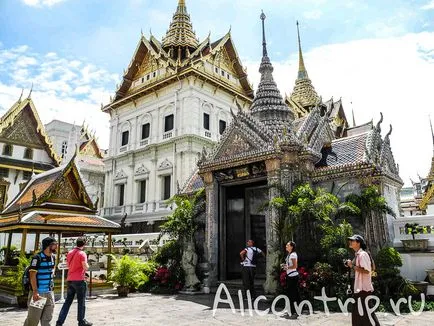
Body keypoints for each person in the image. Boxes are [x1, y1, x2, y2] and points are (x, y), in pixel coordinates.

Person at [56, 237, 92, 326]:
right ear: (84, 244)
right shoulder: (82, 253)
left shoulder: (70, 252)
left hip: (70, 279)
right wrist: (88, 265)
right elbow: (85, 267)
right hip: (79, 280)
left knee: (67, 302)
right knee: (81, 301)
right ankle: (81, 321)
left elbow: (68, 265)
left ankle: (59, 322)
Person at [345, 235, 380, 326]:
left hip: (363, 289)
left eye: (353, 241)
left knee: (365, 313)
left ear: (358, 243)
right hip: (359, 288)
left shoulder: (362, 254)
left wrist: (351, 266)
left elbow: (366, 270)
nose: (350, 242)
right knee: (360, 313)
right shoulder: (358, 254)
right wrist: (350, 264)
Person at [24, 236, 58, 326]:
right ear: (48, 246)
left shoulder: (53, 257)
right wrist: (35, 292)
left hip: (49, 293)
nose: (56, 247)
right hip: (38, 294)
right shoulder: (37, 258)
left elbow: (52, 269)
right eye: (54, 245)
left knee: (47, 321)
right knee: (32, 321)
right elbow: (32, 275)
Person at [282, 241, 300, 319]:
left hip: (293, 276)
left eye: (288, 245)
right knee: (291, 294)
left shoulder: (293, 254)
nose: (286, 246)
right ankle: (292, 311)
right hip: (290, 276)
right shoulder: (289, 254)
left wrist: (287, 268)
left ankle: (294, 312)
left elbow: (295, 266)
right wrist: (285, 266)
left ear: (291, 247)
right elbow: (291, 265)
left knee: (292, 295)